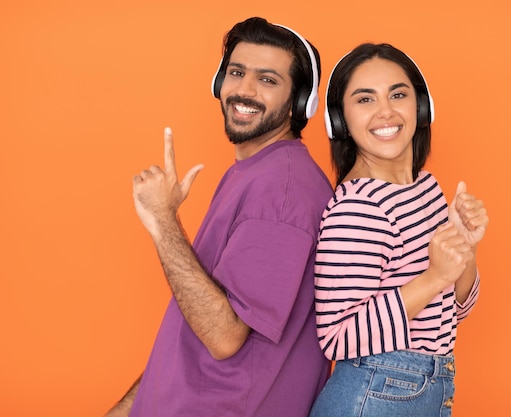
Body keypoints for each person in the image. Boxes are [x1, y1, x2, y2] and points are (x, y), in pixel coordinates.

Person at [104, 17, 332, 417]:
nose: (244, 90)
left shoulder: (282, 191)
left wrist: (162, 222)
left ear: (299, 103)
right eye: (237, 72)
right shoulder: (257, 172)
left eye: (267, 79)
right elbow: (190, 330)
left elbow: (224, 336)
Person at [309, 43, 489, 417]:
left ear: (420, 107)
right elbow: (337, 338)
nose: (385, 112)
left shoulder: (425, 187)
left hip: (419, 388)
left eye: (398, 94)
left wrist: (463, 252)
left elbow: (451, 314)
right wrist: (434, 275)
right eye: (364, 100)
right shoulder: (357, 208)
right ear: (340, 121)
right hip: (373, 395)